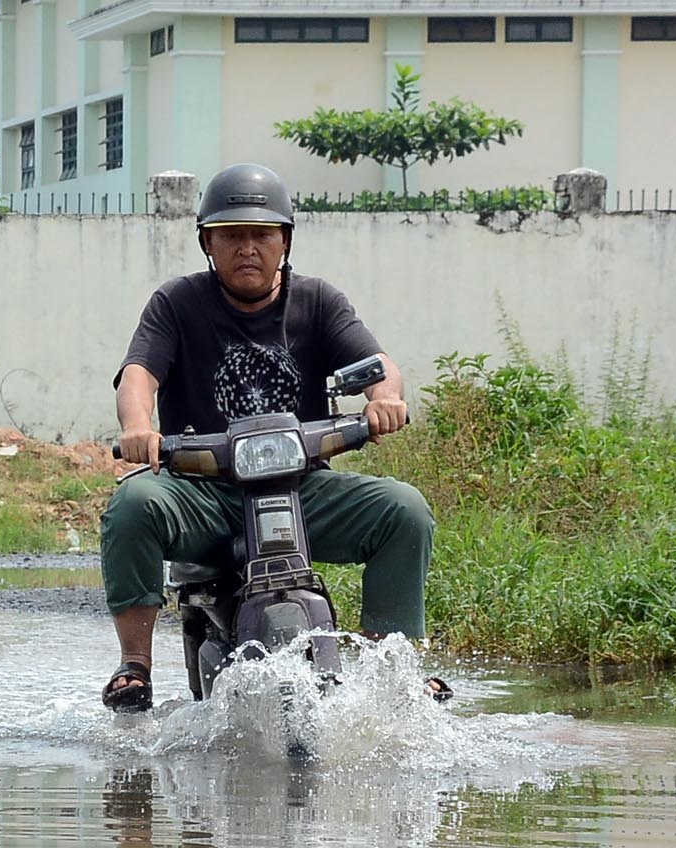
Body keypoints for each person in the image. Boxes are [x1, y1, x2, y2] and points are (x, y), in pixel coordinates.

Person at [100, 163, 434, 711]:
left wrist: (383, 399)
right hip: (204, 490)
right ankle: (134, 665)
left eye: (261, 235)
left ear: (285, 241)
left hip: (300, 490)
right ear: (208, 242)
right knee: (133, 503)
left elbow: (378, 365)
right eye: (232, 235)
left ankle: (391, 673)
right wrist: (139, 427)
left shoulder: (319, 301)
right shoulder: (177, 304)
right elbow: (139, 374)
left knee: (405, 510)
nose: (247, 248)